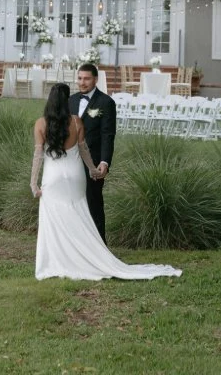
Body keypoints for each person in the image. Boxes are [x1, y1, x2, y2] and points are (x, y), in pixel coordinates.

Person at [30, 82, 182, 282]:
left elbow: (38, 155)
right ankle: (85, 257)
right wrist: (93, 169)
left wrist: (33, 183)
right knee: (79, 214)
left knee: (54, 218)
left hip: (53, 177)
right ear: (67, 101)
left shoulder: (40, 124)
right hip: (76, 176)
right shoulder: (76, 122)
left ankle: (57, 261)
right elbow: (84, 150)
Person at [67, 63, 116, 242]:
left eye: (86, 78)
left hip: (93, 162)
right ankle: (76, 244)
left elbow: (108, 135)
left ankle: (99, 247)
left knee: (93, 203)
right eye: (80, 78)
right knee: (72, 203)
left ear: (95, 79)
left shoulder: (106, 103)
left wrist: (104, 161)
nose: (82, 82)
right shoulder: (70, 100)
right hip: (70, 161)